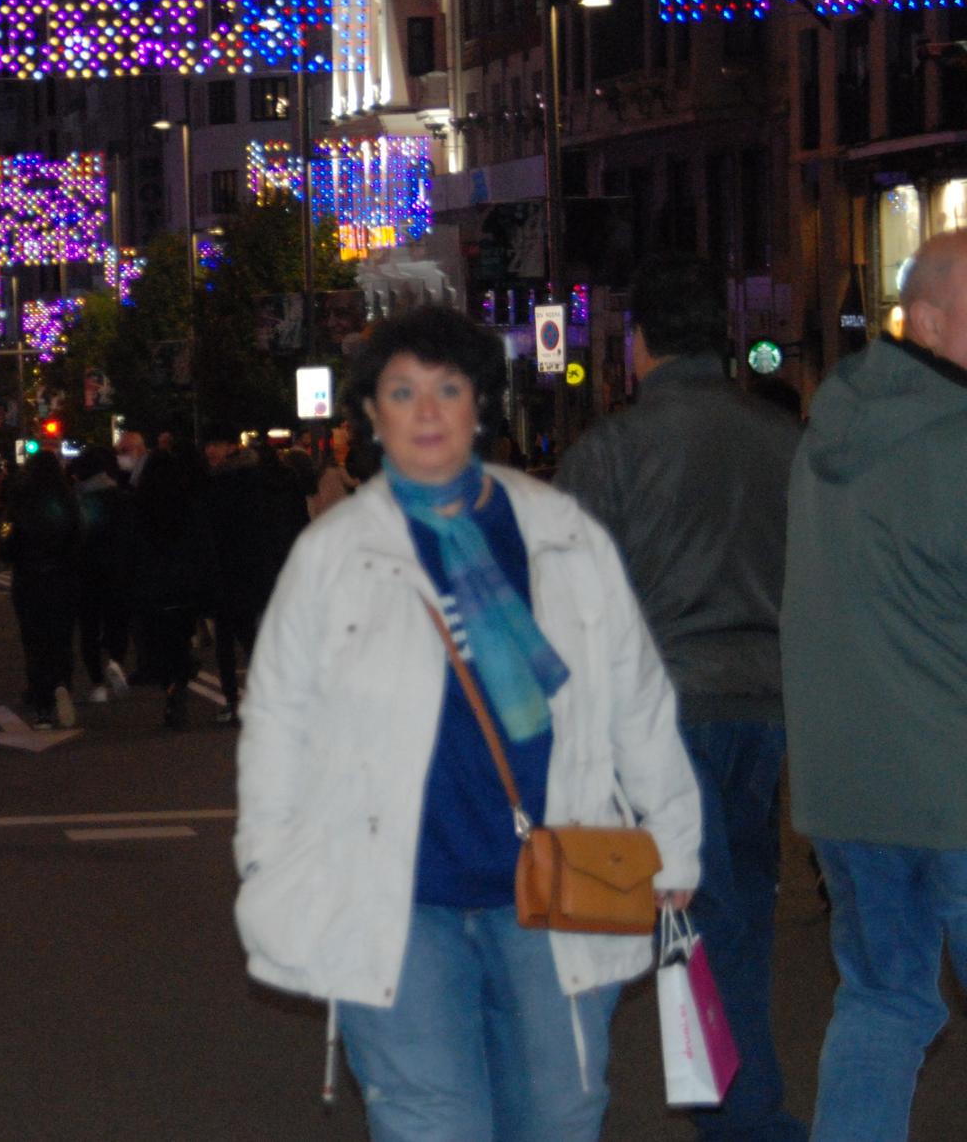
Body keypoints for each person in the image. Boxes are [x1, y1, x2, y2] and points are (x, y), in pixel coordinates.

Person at [234, 305, 701, 1141]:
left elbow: (635, 693)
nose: (425, 410)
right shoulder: (335, 554)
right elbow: (277, 717)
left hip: (558, 883)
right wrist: (269, 860)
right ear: (370, 413)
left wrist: (674, 834)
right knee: (429, 1122)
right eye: (401, 390)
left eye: (447, 388)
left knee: (560, 1114)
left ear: (479, 405)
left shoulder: (560, 535)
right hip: (398, 898)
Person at [556, 255, 805, 1142]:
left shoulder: (610, 452)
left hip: (659, 717)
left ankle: (748, 1118)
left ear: (639, 345)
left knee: (671, 921)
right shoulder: (783, 442)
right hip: (764, 708)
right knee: (732, 915)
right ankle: (734, 1106)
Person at [782, 230, 967, 1140]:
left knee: (883, 1003)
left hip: (848, 786)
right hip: (953, 783)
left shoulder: (829, 435)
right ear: (929, 321)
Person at [123, 450, 215, 730]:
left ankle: (171, 686)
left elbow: (130, 549)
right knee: (180, 639)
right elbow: (202, 544)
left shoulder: (138, 505)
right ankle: (179, 683)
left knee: (157, 643)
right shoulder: (188, 503)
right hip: (183, 586)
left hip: (150, 587)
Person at [0, 450, 80, 731]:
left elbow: (5, 541)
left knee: (35, 642)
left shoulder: (20, 501)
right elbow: (78, 538)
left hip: (29, 579)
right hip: (62, 578)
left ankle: (42, 704)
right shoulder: (68, 501)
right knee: (61, 639)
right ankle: (63, 685)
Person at [201, 438, 279, 725]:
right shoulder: (257, 482)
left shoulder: (221, 485)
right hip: (253, 571)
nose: (210, 450)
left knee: (228, 640)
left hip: (229, 570)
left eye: (216, 445)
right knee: (249, 637)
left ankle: (233, 702)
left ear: (231, 448)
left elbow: (215, 533)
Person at [71, 446, 131, 704]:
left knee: (89, 628)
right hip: (116, 568)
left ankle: (97, 684)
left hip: (86, 571)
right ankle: (116, 660)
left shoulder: (78, 500)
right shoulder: (119, 496)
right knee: (116, 621)